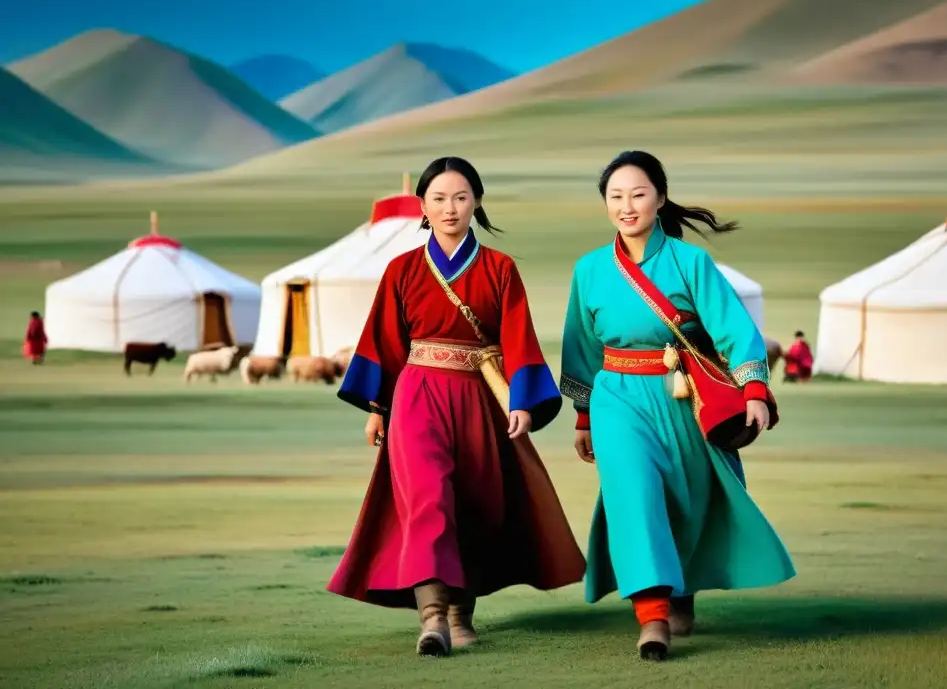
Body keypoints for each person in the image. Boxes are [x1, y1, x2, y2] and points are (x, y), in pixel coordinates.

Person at [327, 156, 586, 657]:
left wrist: (525, 403)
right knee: (427, 500)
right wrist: (377, 407)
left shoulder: (499, 268)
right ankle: (432, 618)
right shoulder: (401, 269)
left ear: (477, 203)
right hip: (417, 394)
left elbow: (518, 338)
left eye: (461, 197)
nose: (450, 208)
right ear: (422, 206)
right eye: (439, 199)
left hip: (479, 399)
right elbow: (384, 339)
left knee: (473, 503)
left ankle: (462, 613)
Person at [560, 150, 796, 661]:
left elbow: (735, 330)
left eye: (638, 194)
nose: (627, 206)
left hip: (681, 396)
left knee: (684, 499)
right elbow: (579, 346)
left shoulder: (692, 263)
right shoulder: (590, 270)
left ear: (660, 198)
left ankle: (680, 591)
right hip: (616, 398)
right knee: (634, 493)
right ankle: (652, 619)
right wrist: (582, 417)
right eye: (615, 197)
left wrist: (754, 389)